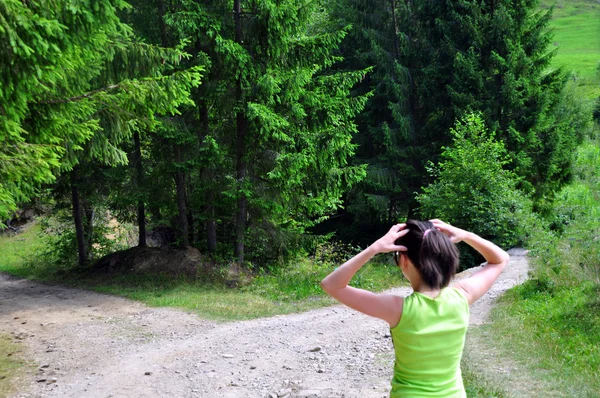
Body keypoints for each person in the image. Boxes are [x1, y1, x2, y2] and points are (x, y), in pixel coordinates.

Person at [320, 219, 510, 397]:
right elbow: (500, 259)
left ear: (403, 261)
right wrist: (465, 235)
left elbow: (332, 284)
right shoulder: (462, 296)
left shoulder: (398, 309)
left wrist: (374, 248)